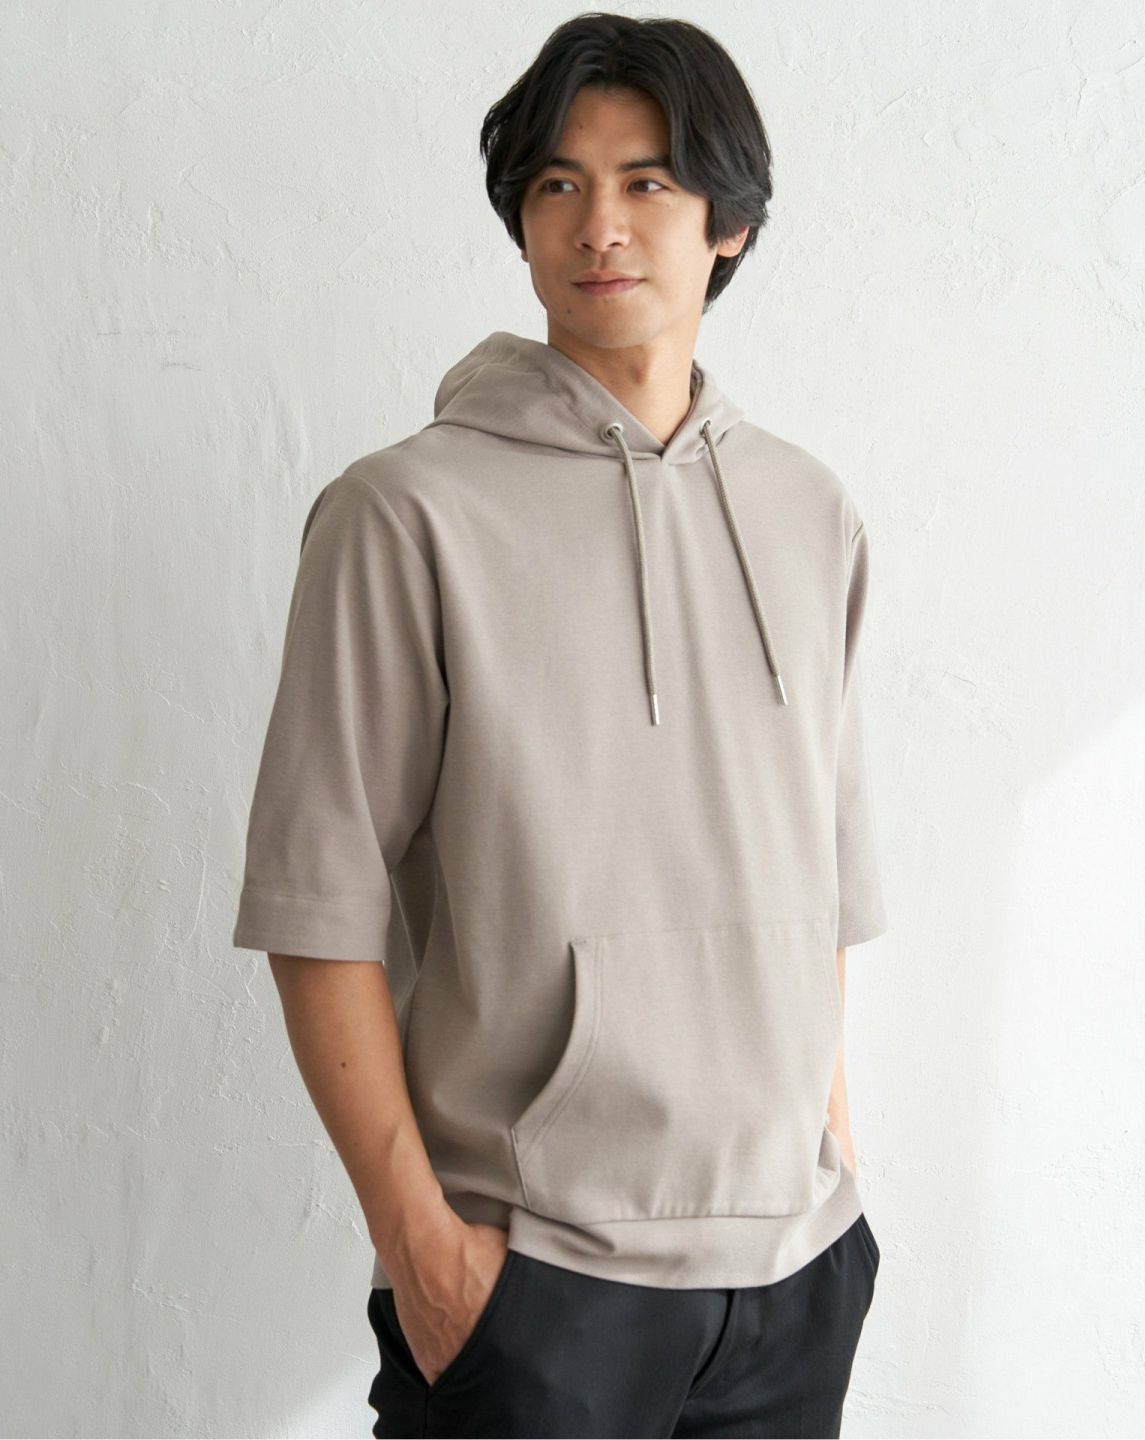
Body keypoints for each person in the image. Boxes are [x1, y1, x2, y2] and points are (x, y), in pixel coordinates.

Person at [232, 13, 889, 1438]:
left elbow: (823, 893)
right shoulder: (403, 516)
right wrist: (424, 1253)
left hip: (796, 1278)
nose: (599, 224)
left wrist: (831, 1170)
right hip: (533, 1286)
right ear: (522, 220)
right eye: (557, 185)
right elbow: (313, 905)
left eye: (647, 182)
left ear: (730, 222)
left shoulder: (809, 514)